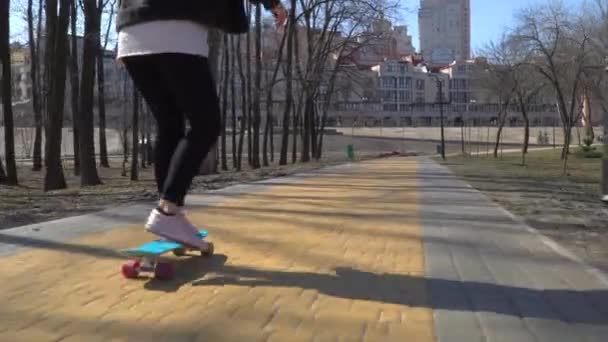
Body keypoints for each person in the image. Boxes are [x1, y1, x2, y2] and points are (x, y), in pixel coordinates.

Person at [115, 0, 287, 250]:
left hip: (131, 34)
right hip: (176, 29)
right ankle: (167, 211)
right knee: (206, 124)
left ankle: (170, 217)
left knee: (169, 124)